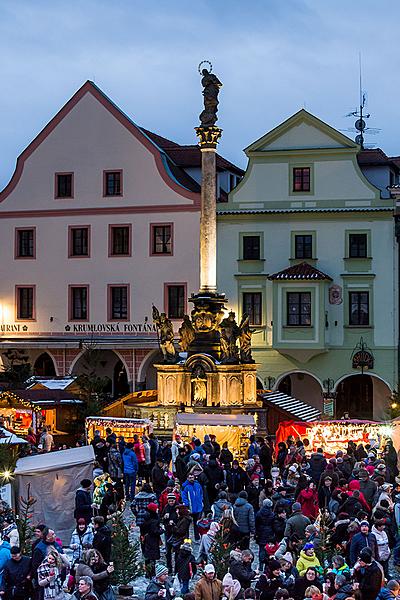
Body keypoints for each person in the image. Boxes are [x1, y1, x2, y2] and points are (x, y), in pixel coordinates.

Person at [141, 503, 163, 578]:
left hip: (147, 539)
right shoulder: (154, 520)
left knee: (147, 556)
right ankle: (152, 573)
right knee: (152, 557)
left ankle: (148, 572)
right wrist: (162, 530)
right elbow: (155, 531)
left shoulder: (146, 518)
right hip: (152, 540)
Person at [181, 473, 203, 541]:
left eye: (192, 477)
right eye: (190, 477)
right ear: (187, 478)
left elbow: (201, 494)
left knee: (196, 524)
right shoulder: (185, 486)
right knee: (187, 524)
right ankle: (187, 539)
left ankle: (197, 537)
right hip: (190, 508)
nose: (191, 479)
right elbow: (184, 496)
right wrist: (187, 505)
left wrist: (201, 502)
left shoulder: (198, 485)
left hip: (197, 508)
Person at [255, 498, 275, 567]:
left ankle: (260, 565)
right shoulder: (272, 514)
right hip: (269, 532)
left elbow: (256, 524)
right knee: (269, 549)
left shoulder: (259, 513)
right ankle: (267, 565)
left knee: (261, 548)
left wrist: (256, 533)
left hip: (261, 532)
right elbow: (273, 524)